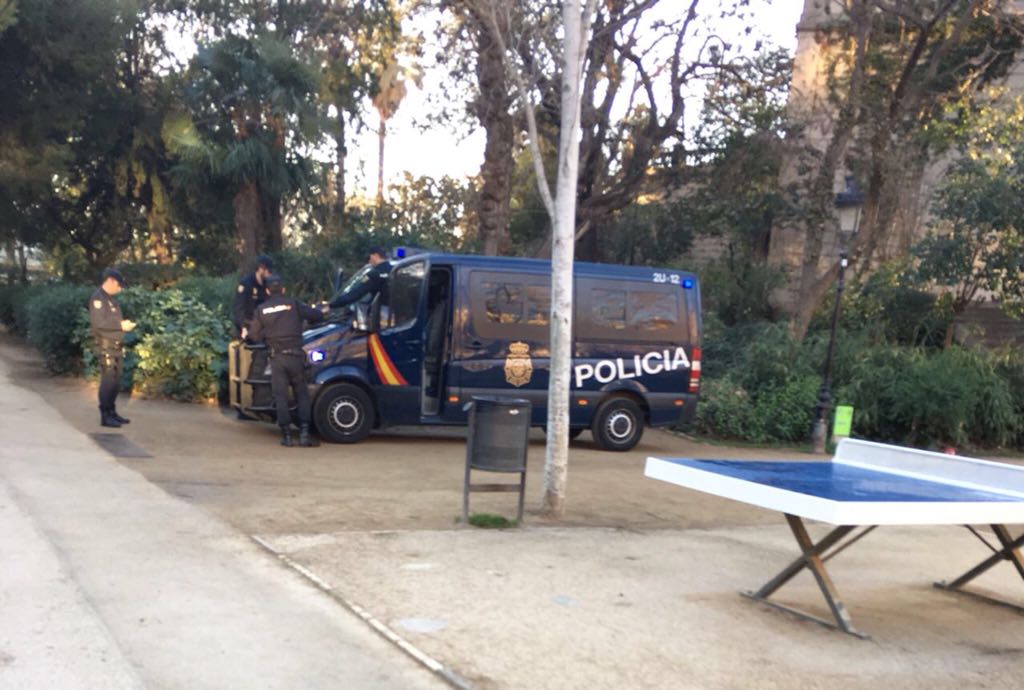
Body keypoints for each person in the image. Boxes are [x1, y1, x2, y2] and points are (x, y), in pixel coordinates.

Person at [248, 274, 325, 447]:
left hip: (277, 358)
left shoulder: (262, 310)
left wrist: (266, 336)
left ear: (267, 291)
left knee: (280, 396)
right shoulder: (294, 304)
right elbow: (317, 316)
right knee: (301, 394)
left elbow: (253, 335)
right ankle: (305, 434)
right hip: (296, 357)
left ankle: (287, 436)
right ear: (283, 289)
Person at [89, 268, 135, 428]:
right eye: (119, 285)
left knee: (116, 381)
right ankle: (105, 414)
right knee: (108, 381)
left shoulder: (112, 299)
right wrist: (120, 325)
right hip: (106, 345)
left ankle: (112, 412)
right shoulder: (98, 298)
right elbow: (99, 324)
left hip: (116, 345)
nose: (120, 289)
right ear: (111, 281)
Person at [326, 247, 391, 310]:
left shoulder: (374, 274)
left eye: (369, 257)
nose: (369, 260)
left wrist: (332, 305)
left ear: (376, 255)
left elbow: (356, 293)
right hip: (396, 316)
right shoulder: (396, 271)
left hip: (381, 315)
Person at [232, 255, 274, 340]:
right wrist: (243, 327)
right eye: (267, 270)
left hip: (263, 326)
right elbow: (239, 309)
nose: (270, 273)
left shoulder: (267, 284)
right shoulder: (246, 284)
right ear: (261, 268)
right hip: (247, 325)